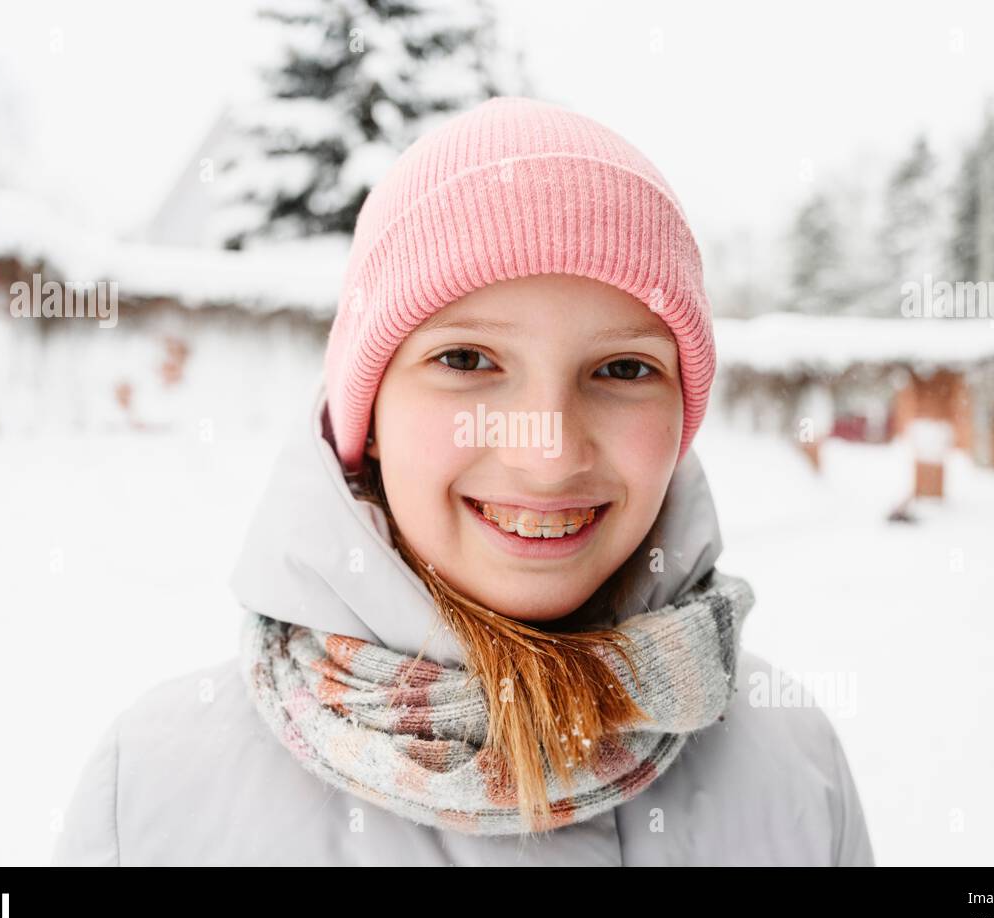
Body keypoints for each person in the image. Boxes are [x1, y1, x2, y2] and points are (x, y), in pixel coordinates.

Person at [51, 96, 874, 865]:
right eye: (467, 359)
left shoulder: (797, 767)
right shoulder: (155, 799)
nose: (547, 453)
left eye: (623, 368)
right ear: (364, 416)